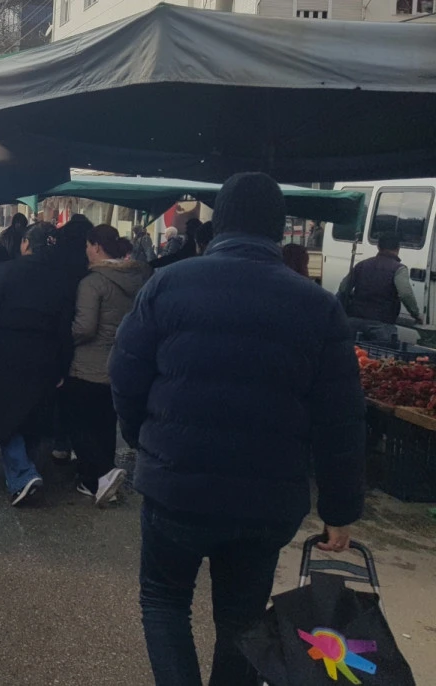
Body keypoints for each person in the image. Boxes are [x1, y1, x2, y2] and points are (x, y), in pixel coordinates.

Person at [110, 172, 365, 686]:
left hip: (175, 486)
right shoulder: (319, 307)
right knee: (242, 622)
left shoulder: (168, 284)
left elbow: (125, 375)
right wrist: (340, 510)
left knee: (164, 602)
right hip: (265, 504)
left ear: (216, 222)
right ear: (282, 228)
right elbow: (340, 419)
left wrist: (145, 440)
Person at [0, 222, 79, 506]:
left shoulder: (7, 271)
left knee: (5, 417)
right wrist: (61, 365)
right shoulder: (61, 280)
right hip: (44, 357)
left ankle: (23, 474)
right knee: (34, 417)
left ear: (25, 244)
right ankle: (27, 472)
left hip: (5, 354)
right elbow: (64, 327)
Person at [67, 224, 151, 506]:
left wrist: (63, 336)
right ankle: (99, 479)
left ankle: (101, 474)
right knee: (104, 424)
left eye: (88, 247)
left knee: (77, 424)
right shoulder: (138, 279)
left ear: (97, 247)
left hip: (88, 365)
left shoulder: (92, 282)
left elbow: (85, 327)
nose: (86, 252)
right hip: (120, 365)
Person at [338, 232, 421, 342]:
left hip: (354, 322)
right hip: (382, 325)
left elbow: (343, 288)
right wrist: (416, 314)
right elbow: (405, 294)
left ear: (378, 247)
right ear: (398, 248)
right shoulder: (399, 269)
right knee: (381, 357)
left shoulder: (361, 265)